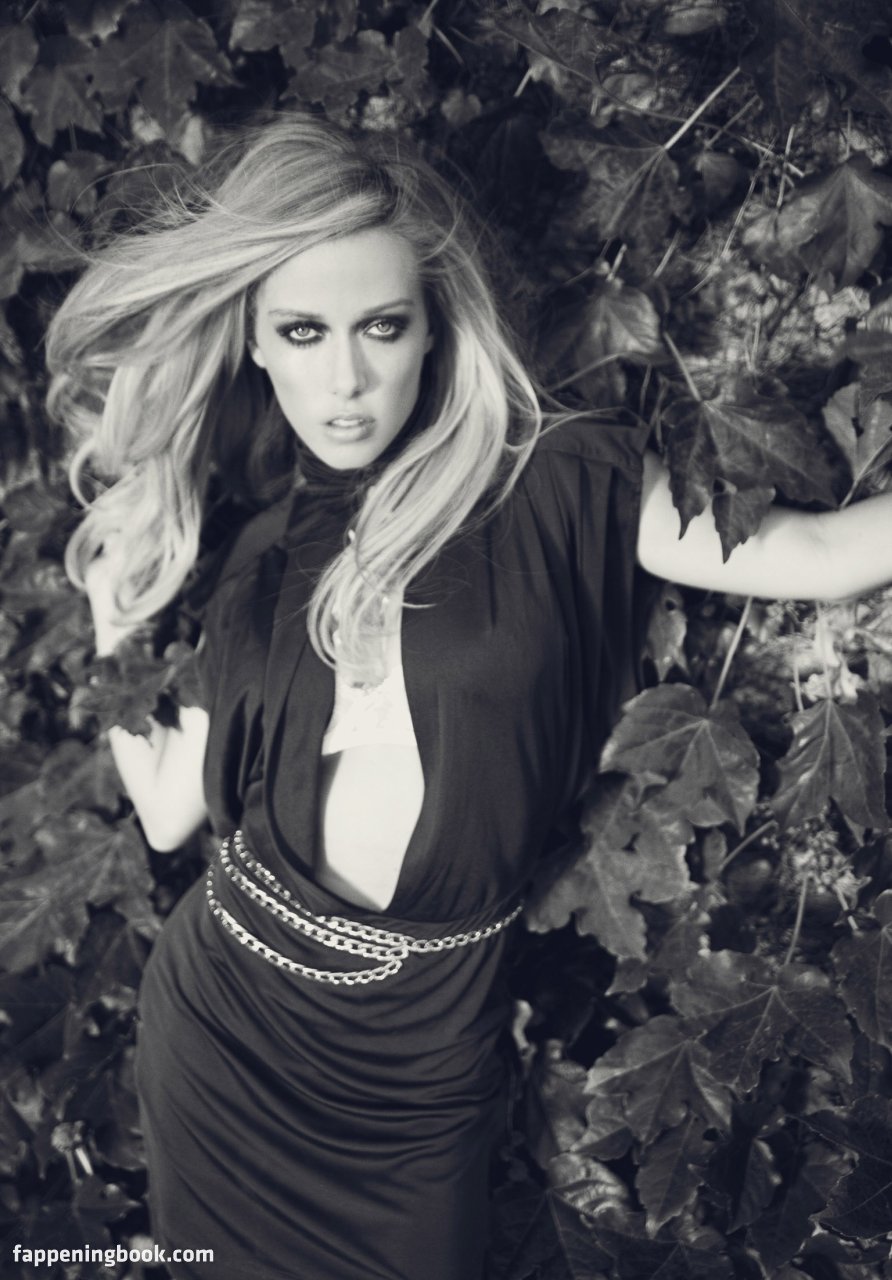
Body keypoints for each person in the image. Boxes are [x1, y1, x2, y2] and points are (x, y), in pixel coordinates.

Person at [45, 114, 892, 1280]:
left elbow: (827, 556)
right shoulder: (256, 560)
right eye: (303, 331)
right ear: (253, 341)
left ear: (435, 320)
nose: (345, 378)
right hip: (224, 1025)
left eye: (381, 325)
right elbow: (166, 813)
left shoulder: (563, 478)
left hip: (421, 1056)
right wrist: (112, 617)